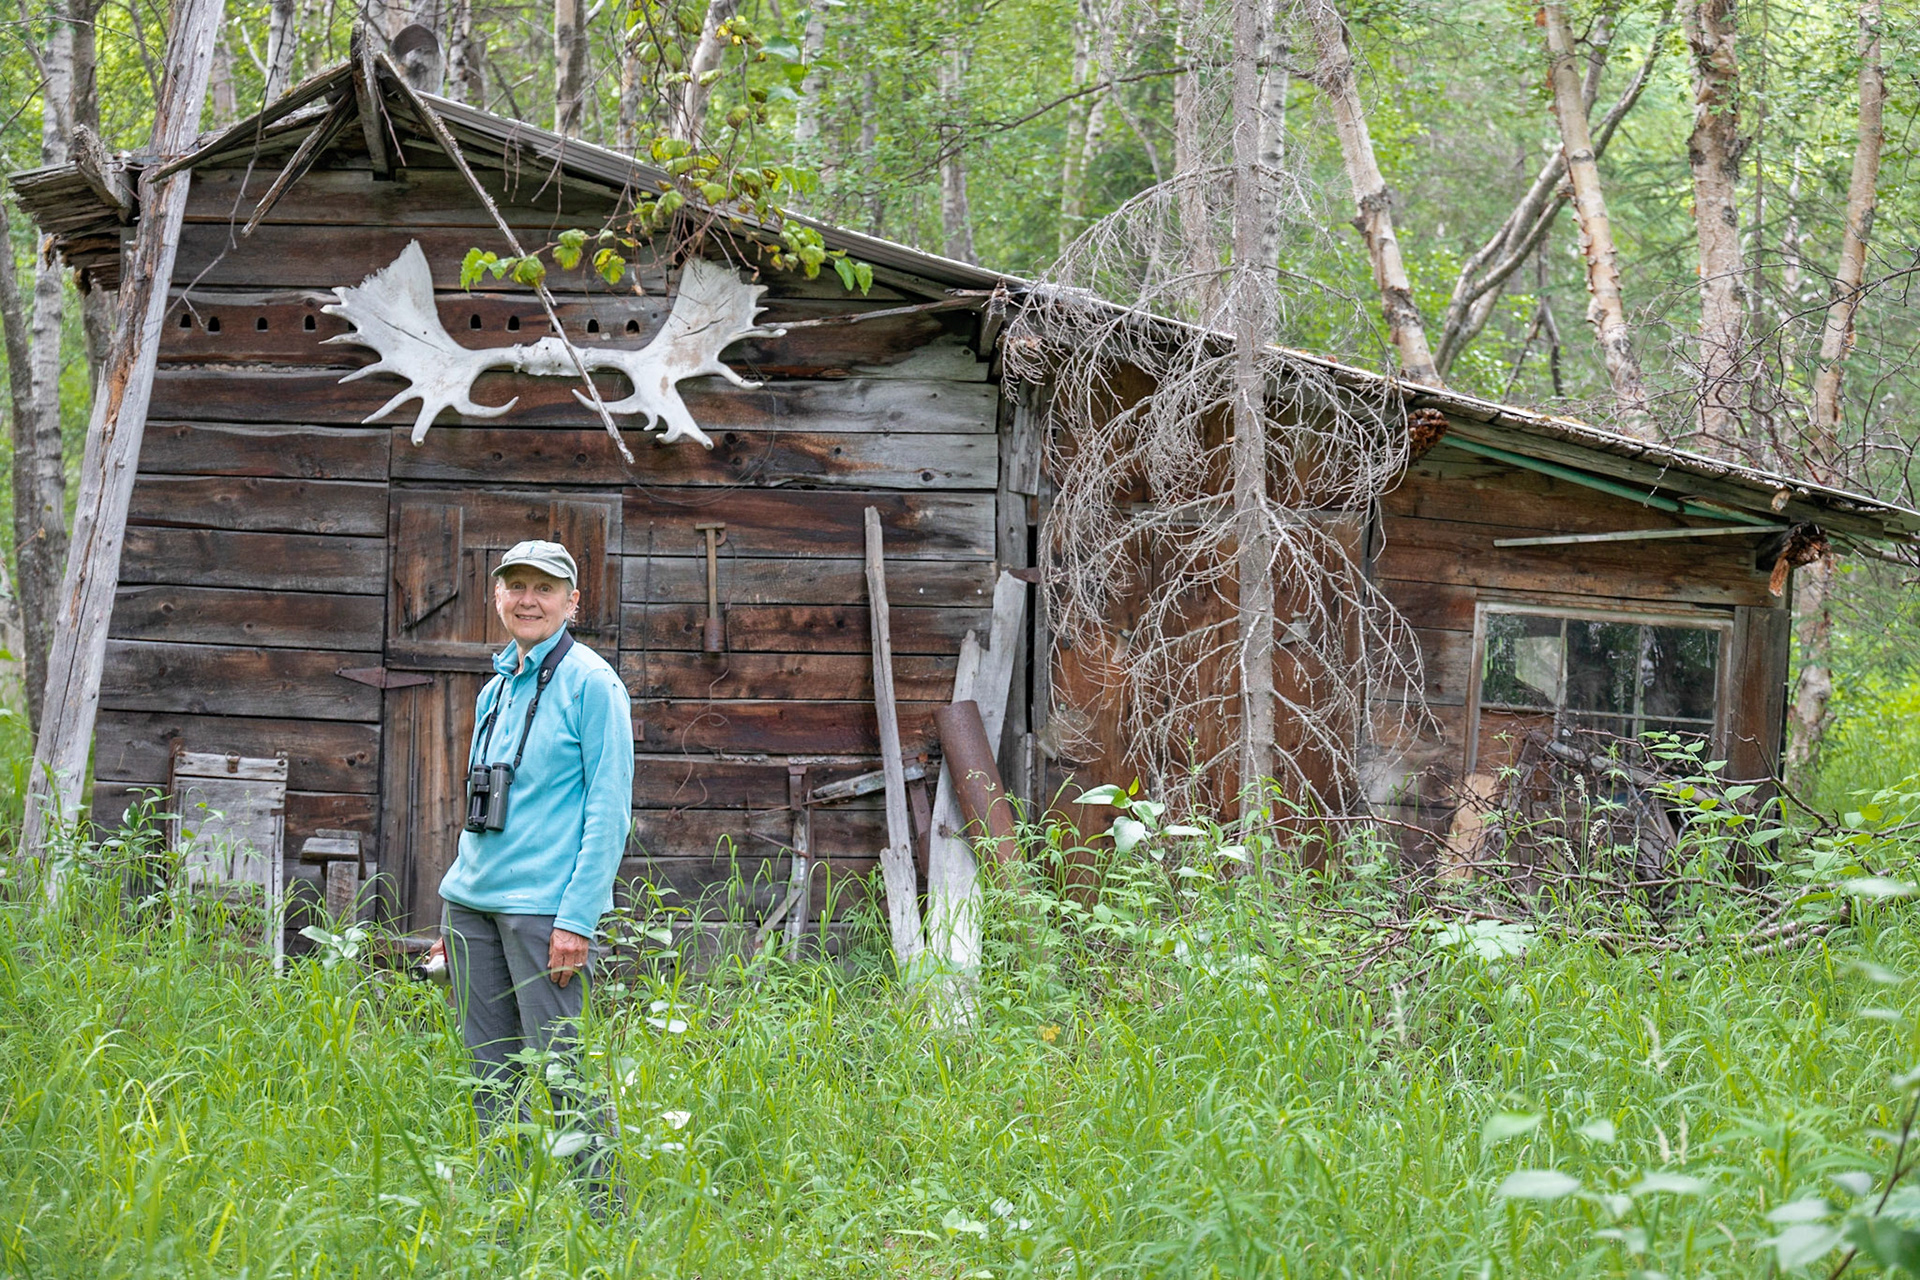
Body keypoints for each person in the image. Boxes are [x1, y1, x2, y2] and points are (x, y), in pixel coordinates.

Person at [425, 539, 634, 1136]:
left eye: (544, 588)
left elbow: (608, 810)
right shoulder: (495, 690)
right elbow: (479, 808)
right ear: (497, 596)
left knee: (564, 1074)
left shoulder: (593, 684)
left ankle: (602, 1221)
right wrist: (455, 907)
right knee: (488, 1079)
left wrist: (578, 919)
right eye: (516, 586)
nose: (528, 600)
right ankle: (506, 1219)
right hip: (472, 910)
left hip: (545, 914)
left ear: (572, 602)